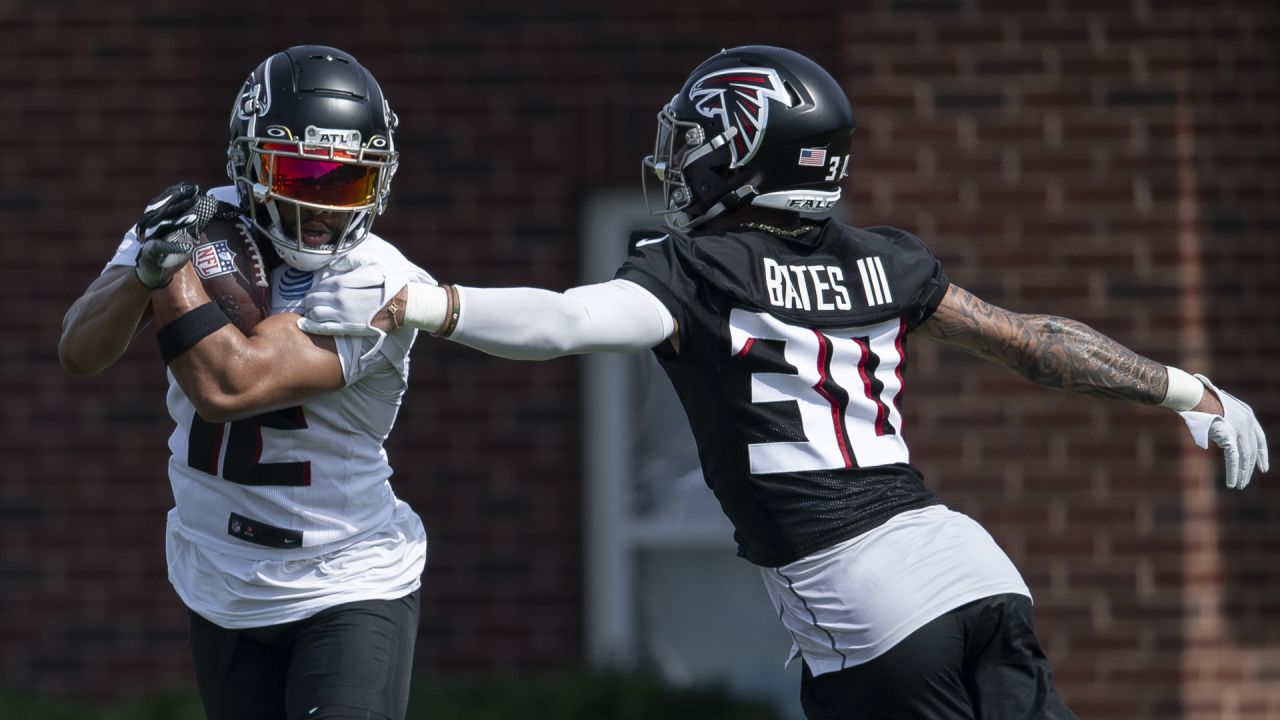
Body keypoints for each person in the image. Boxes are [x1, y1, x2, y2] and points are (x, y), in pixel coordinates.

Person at [301, 45, 1269, 719]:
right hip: (976, 573)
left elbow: (565, 323)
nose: (677, 160)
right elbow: (1031, 342)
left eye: (693, 139)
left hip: (863, 605)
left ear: (738, 146)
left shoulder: (693, 269)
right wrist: (1190, 391)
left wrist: (433, 305)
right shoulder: (886, 260)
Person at [58, 46, 433, 720]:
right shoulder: (197, 220)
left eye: (347, 182)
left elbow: (231, 385)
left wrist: (173, 275)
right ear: (249, 160)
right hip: (221, 575)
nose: (321, 206)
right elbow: (79, 350)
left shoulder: (382, 280)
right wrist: (144, 267)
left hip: (346, 575)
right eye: (301, 174)